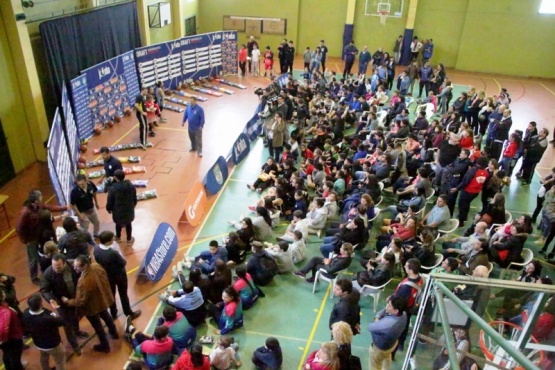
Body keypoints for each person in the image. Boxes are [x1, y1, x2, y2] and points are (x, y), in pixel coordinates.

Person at [61, 255, 118, 353]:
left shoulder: (83, 281)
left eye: (77, 267)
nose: (74, 269)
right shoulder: (96, 266)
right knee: (106, 316)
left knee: (98, 326)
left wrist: (68, 301)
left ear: (85, 266)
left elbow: (80, 301)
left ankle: (105, 345)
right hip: (101, 299)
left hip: (91, 307)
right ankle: (114, 332)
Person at [16, 189, 68, 283]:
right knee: (33, 258)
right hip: (31, 238)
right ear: (36, 200)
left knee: (41, 254)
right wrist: (24, 240)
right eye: (40, 196)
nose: (42, 197)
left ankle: (45, 269)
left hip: (39, 234)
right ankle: (34, 278)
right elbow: (19, 228)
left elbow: (50, 207)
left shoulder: (39, 206)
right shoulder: (25, 212)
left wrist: (64, 208)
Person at [40, 253, 85, 355]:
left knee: (76, 317)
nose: (56, 269)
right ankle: (75, 346)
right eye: (54, 266)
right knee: (67, 325)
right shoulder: (48, 273)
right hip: (62, 304)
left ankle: (77, 331)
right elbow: (44, 290)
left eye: (58, 267)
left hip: (75, 299)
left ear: (65, 263)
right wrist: (51, 299)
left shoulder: (73, 266)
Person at [94, 230, 141, 320]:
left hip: (107, 276)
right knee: (123, 294)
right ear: (108, 241)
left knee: (111, 295)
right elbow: (123, 263)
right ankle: (128, 313)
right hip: (119, 276)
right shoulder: (112, 253)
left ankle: (113, 313)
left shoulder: (96, 249)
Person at [21, 294, 66, 370]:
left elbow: (45, 311)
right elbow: (62, 321)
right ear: (40, 304)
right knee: (60, 360)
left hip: (39, 343)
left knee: (44, 356)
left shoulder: (26, 313)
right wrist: (56, 311)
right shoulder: (47, 319)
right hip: (52, 344)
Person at [368, 295, 408, 370]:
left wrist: (377, 319)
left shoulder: (387, 324)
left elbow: (370, 327)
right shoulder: (403, 314)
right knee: (387, 357)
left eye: (389, 305)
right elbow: (385, 310)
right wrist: (382, 313)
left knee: (375, 366)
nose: (387, 306)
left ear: (396, 311)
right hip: (392, 344)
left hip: (380, 348)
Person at [393, 258, 424, 352]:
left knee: (400, 326)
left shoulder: (406, 287)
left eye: (406, 265)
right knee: (405, 325)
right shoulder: (421, 278)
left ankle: (398, 343)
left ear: (411, 270)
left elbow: (398, 301)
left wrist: (391, 300)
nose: (405, 266)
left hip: (403, 309)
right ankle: (401, 343)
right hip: (411, 306)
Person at [106, 170, 137, 246]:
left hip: (118, 210)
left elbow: (110, 200)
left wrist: (108, 208)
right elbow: (134, 197)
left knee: (118, 223)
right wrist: (133, 205)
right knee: (128, 224)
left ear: (115, 178)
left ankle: (118, 237)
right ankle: (129, 239)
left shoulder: (113, 188)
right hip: (128, 209)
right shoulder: (130, 185)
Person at [0, 289, 26, 370]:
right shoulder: (5, 311)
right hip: (12, 339)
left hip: (5, 341)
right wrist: (3, 340)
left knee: (7, 355)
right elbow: (3, 329)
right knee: (15, 359)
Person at [70, 173, 100, 238]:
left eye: (82, 184)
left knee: (97, 222)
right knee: (84, 227)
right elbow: (73, 204)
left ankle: (96, 233)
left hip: (91, 208)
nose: (81, 186)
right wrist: (79, 214)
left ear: (86, 181)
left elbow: (94, 193)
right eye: (79, 184)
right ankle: (84, 238)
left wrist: (96, 203)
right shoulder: (74, 191)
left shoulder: (91, 184)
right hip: (82, 211)